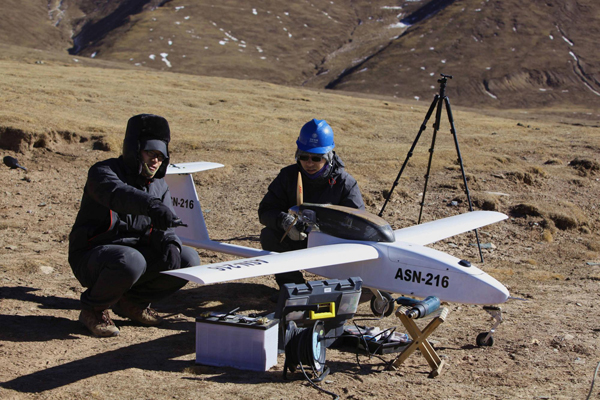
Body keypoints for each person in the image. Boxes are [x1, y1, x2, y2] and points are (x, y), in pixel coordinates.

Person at [68, 114, 200, 337]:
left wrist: (170, 243)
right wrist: (150, 206)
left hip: (131, 257)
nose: (155, 161)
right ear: (135, 150)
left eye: (160, 156)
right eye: (150, 153)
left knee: (188, 259)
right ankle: (93, 308)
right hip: (93, 257)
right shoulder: (103, 173)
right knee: (131, 260)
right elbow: (119, 194)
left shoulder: (159, 185)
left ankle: (132, 302)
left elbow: (166, 227)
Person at [258, 119, 365, 299]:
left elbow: (359, 224)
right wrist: (284, 222)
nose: (309, 163)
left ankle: (344, 290)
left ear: (328, 156)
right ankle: (294, 288)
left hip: (332, 245)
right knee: (269, 235)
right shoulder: (288, 176)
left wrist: (328, 228)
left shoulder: (345, 183)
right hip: (297, 239)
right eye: (304, 156)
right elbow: (265, 210)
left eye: (316, 158)